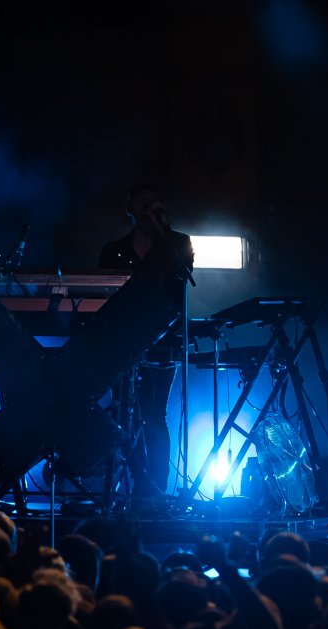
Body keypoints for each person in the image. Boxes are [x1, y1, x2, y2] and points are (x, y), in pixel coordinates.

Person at [98, 181, 196, 501]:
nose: (147, 207)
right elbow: (102, 296)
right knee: (123, 411)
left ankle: (156, 487)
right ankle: (130, 482)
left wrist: (162, 233)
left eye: (154, 202)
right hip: (122, 343)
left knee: (154, 414)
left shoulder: (178, 244)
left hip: (162, 341)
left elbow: (181, 279)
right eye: (141, 201)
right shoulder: (113, 251)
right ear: (129, 206)